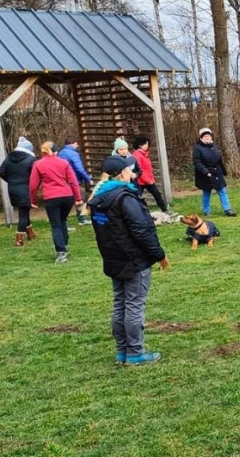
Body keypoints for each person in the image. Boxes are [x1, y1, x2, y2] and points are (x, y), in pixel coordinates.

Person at [89, 155, 168, 366]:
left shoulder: (98, 199)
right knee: (134, 305)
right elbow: (141, 231)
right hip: (133, 261)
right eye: (129, 170)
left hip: (113, 258)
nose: (132, 174)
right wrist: (159, 255)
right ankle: (134, 352)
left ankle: (122, 351)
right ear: (122, 173)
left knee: (120, 304)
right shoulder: (125, 198)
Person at [29, 141, 82, 263]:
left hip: (51, 197)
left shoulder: (38, 164)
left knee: (56, 224)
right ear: (56, 152)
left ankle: (61, 252)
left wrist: (33, 201)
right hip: (67, 196)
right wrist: (78, 198)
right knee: (63, 220)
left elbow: (33, 185)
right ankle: (65, 244)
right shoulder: (64, 162)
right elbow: (73, 181)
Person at [0, 137, 38, 246]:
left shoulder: (8, 158)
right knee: (23, 213)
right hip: (25, 188)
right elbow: (35, 174)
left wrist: (11, 181)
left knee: (24, 209)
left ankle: (30, 233)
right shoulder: (31, 159)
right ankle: (19, 239)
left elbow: (1, 171)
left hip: (12, 188)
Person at [192, 127, 237, 217]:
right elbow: (197, 162)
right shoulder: (197, 149)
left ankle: (227, 209)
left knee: (222, 191)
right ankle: (206, 211)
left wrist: (224, 171)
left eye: (209, 136)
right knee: (207, 193)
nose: (208, 138)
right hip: (205, 175)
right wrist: (205, 171)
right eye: (205, 136)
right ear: (201, 138)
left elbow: (219, 160)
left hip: (217, 173)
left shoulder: (214, 147)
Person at [58, 136, 94, 225]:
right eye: (76, 144)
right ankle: (81, 219)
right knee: (80, 198)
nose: (77, 146)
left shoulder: (61, 153)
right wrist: (88, 179)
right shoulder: (73, 154)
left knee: (66, 201)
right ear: (72, 143)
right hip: (74, 180)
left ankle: (64, 221)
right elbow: (79, 168)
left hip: (64, 180)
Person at [132, 136, 171, 215]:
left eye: (147, 144)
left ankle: (165, 210)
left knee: (157, 195)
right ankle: (137, 213)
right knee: (137, 197)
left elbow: (148, 168)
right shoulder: (137, 155)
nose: (146, 145)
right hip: (140, 181)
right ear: (140, 145)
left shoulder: (145, 154)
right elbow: (139, 169)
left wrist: (151, 179)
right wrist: (147, 180)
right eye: (145, 144)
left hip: (149, 180)